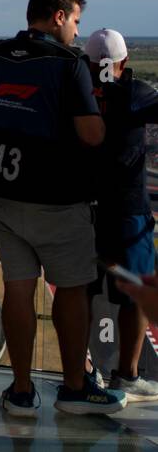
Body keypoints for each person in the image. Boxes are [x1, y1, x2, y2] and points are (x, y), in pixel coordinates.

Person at [0, 0, 123, 416]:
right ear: (59, 16)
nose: (76, 30)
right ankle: (72, 388)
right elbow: (90, 134)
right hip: (57, 197)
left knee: (18, 286)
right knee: (70, 290)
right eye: (77, 21)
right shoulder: (69, 64)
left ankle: (23, 391)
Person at [83, 27, 158, 401]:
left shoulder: (75, 90)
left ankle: (80, 376)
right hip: (127, 209)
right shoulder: (136, 92)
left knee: (79, 292)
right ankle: (126, 375)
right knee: (136, 292)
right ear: (125, 62)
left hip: (81, 206)